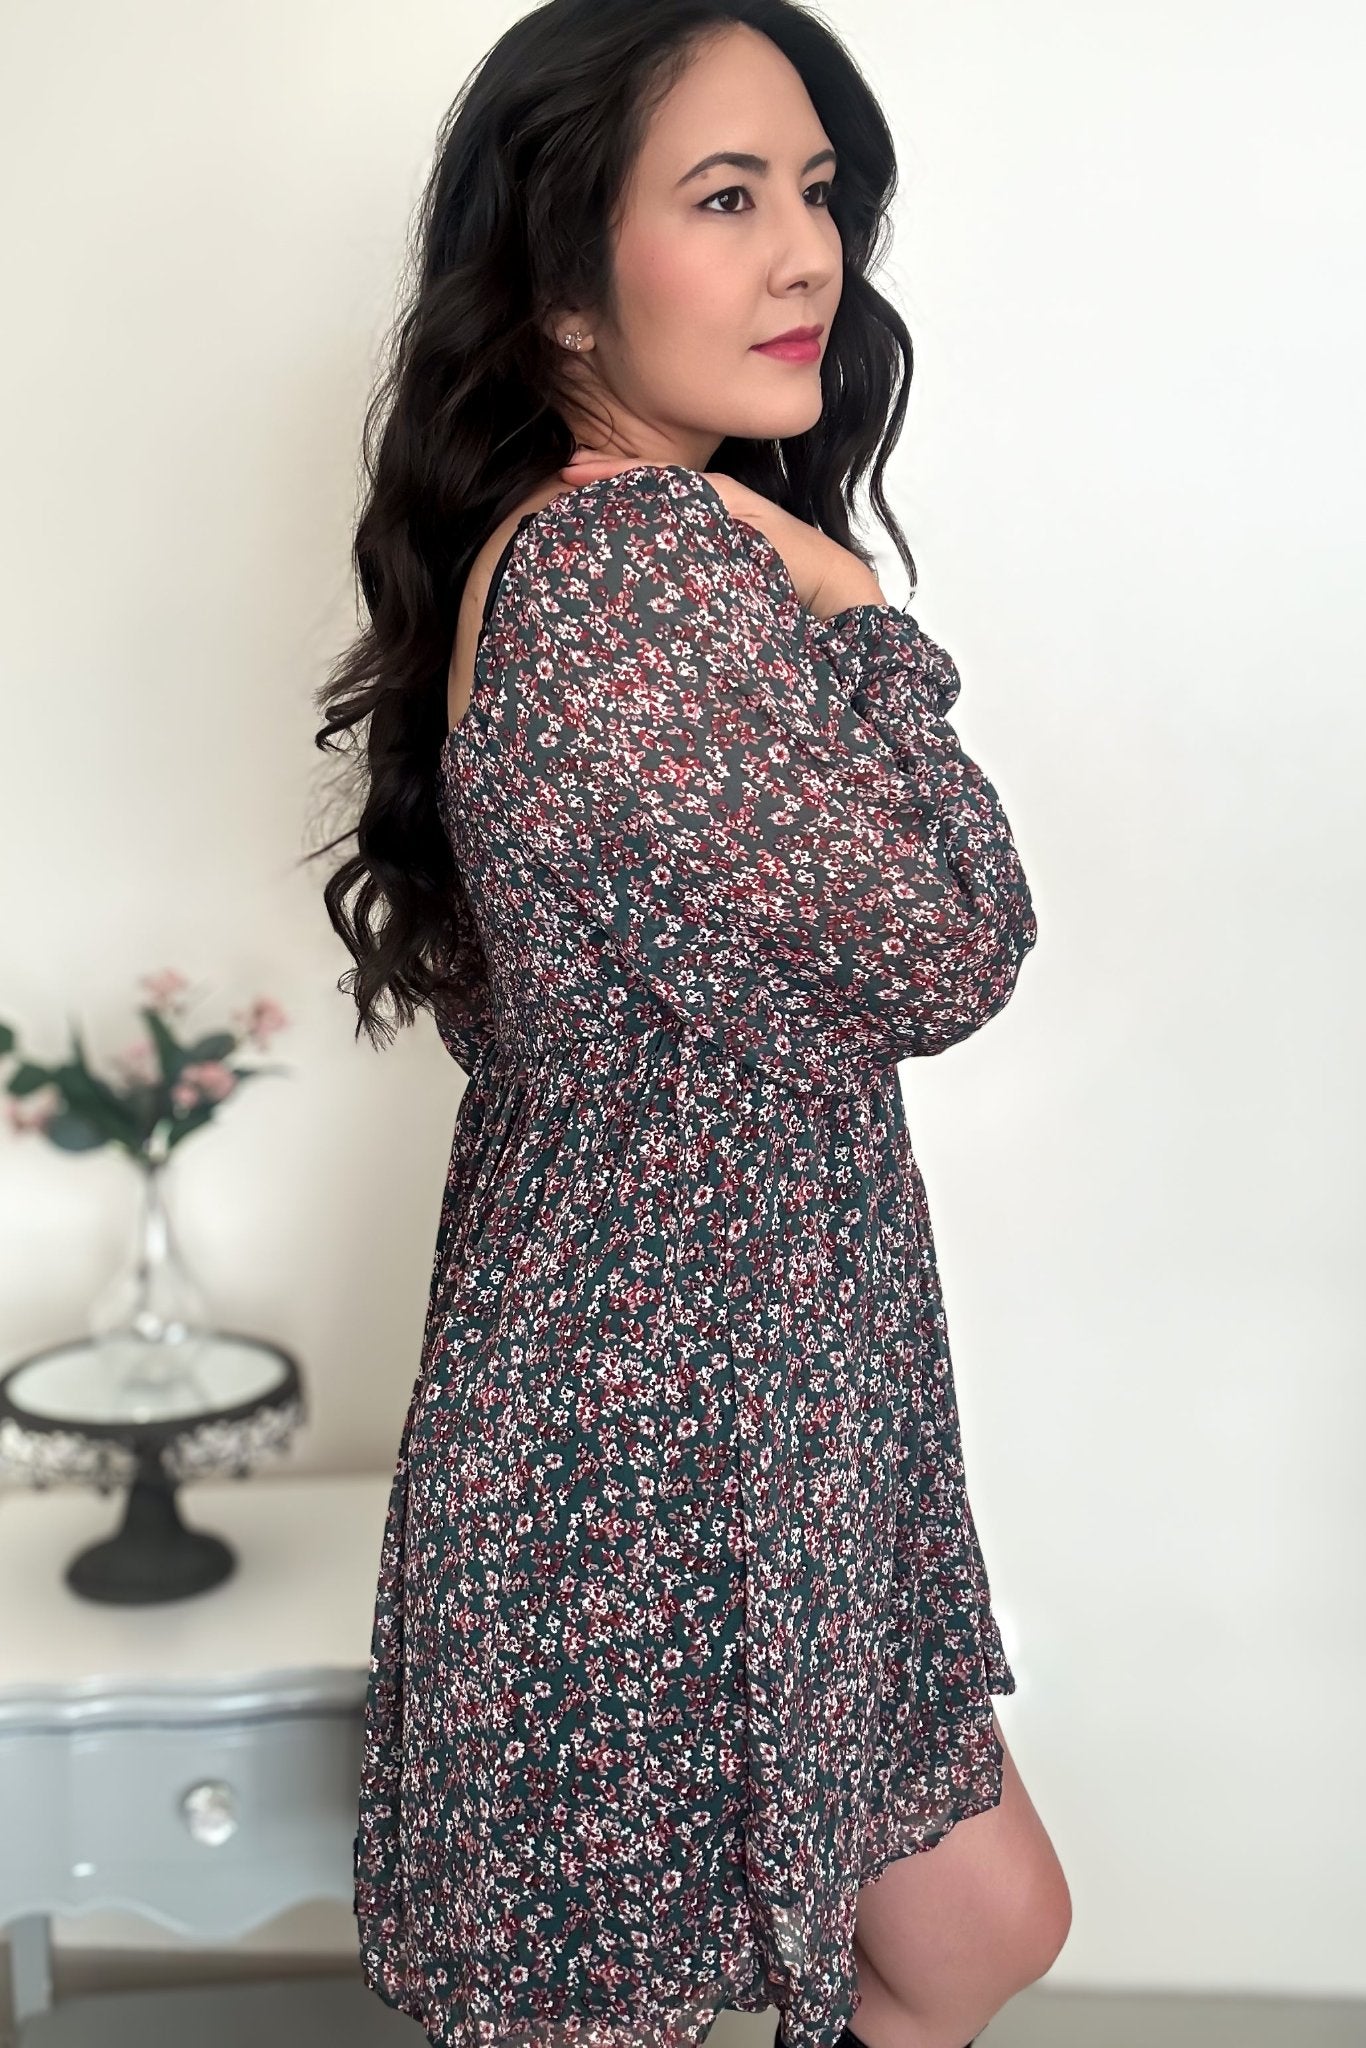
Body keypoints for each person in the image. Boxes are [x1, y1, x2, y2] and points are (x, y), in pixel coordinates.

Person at [314, 4, 1072, 2046]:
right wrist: (866, 624)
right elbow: (945, 952)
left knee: (971, 1923)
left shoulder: (625, 557)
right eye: (724, 198)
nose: (804, 253)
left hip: (738, 1418)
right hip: (647, 1473)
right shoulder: (629, 571)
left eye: (813, 192)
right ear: (562, 289)